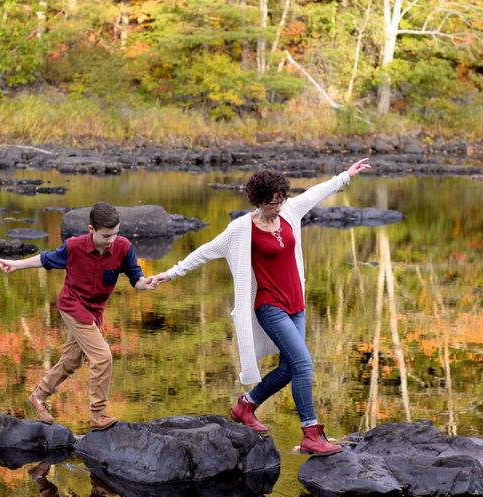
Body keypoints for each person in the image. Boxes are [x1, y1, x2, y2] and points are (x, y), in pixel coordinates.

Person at [150, 159, 371, 455]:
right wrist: (171, 273)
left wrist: (345, 176)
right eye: (271, 203)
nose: (277, 207)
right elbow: (206, 251)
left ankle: (246, 406)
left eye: (280, 200)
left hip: (297, 304)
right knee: (304, 364)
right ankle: (310, 432)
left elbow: (316, 193)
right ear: (258, 201)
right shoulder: (241, 229)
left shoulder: (290, 211)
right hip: (270, 305)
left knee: (289, 368)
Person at [0, 202, 152, 431]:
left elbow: (135, 277)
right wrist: (15, 264)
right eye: (106, 235)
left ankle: (38, 397)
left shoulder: (123, 247)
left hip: (94, 311)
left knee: (72, 360)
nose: (112, 239)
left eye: (116, 233)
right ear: (91, 230)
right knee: (102, 357)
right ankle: (98, 414)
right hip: (72, 305)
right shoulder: (74, 247)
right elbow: (45, 259)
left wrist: (145, 284)